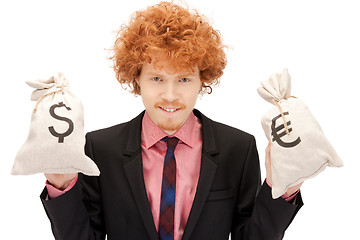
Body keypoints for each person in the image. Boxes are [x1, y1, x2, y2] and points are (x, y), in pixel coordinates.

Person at [41, 2, 303, 239]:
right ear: (137, 80)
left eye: (184, 79)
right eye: (156, 78)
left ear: (203, 81)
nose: (170, 95)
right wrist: (61, 186)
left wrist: (282, 189)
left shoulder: (238, 149)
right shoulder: (100, 149)